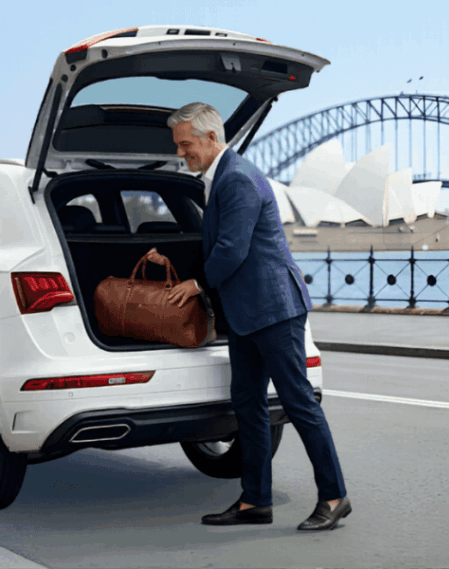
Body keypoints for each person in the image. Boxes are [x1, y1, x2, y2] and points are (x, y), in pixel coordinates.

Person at [156, 102, 350, 531]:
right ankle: (255, 501)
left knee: (299, 404)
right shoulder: (220, 177)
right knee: (247, 405)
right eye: (177, 144)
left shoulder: (238, 178)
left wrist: (195, 285)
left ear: (211, 138)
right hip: (248, 314)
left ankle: (334, 496)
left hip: (274, 310)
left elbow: (231, 249)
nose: (180, 152)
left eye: (185, 143)